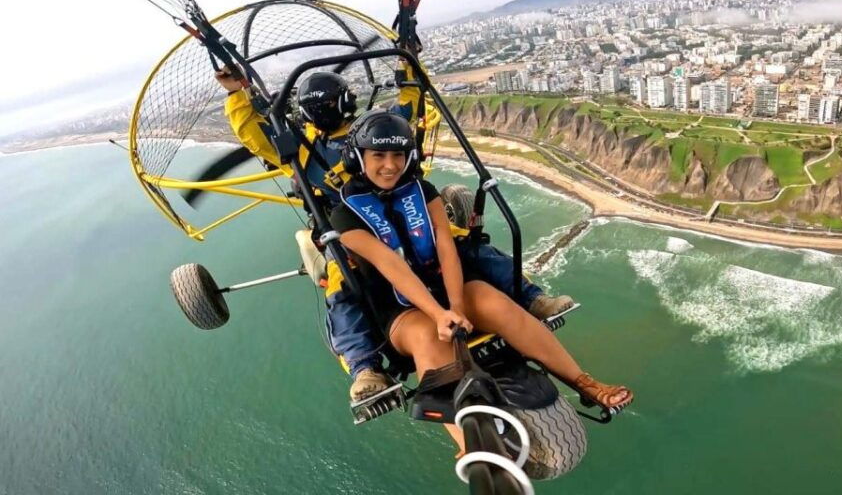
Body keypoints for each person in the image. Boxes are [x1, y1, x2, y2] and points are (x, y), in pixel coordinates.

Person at [215, 65, 574, 402]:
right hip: (352, 229)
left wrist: (236, 96)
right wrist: (408, 65)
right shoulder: (321, 144)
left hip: (405, 213)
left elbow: (254, 135)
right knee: (351, 284)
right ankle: (367, 366)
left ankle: (367, 367)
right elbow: (410, 101)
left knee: (449, 249)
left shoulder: (326, 143)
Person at [329, 110, 632, 449]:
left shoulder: (423, 191)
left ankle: (585, 383)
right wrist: (438, 313)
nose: (389, 165)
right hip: (400, 306)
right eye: (378, 156)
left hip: (447, 285)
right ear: (359, 158)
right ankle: (473, 449)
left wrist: (457, 306)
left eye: (397, 155)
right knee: (429, 338)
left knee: (495, 304)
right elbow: (391, 265)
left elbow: (446, 248)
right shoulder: (344, 214)